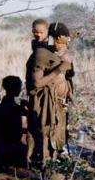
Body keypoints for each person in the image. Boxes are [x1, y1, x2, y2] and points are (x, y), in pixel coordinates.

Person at [26, 23, 73, 168]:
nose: (60, 45)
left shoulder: (57, 53)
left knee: (57, 135)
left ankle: (54, 165)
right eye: (58, 41)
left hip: (59, 103)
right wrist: (59, 69)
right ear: (52, 38)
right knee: (44, 134)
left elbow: (68, 76)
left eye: (64, 42)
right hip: (44, 104)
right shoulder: (41, 54)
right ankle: (43, 170)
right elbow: (37, 83)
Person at [0, 75, 29, 169]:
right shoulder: (7, 103)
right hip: (9, 141)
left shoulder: (8, 101)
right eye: (18, 87)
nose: (20, 89)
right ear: (13, 88)